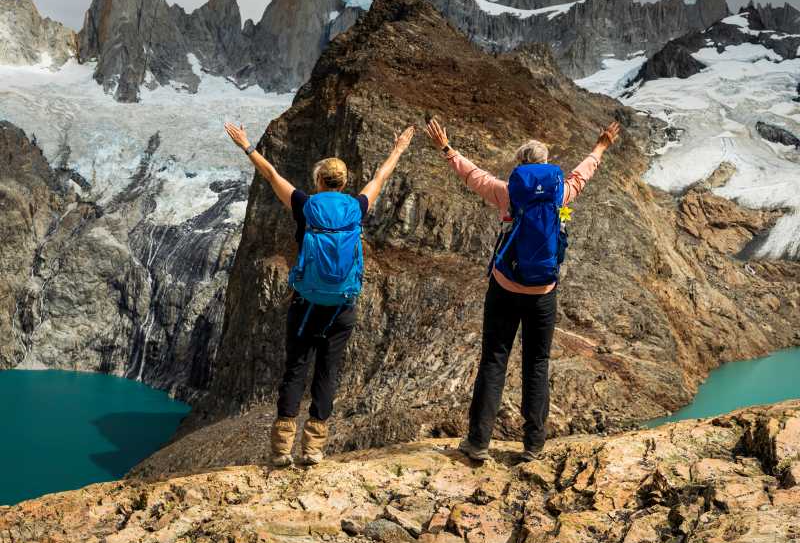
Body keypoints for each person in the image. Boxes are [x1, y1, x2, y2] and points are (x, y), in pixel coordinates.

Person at [424, 117, 621, 462]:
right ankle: (533, 446)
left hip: (504, 286)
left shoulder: (507, 192)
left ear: (520, 166)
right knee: (537, 363)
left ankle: (478, 442)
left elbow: (473, 175)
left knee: (494, 360)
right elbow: (584, 172)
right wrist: (601, 145)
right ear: (546, 165)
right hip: (544, 291)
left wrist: (446, 148)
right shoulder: (562, 192)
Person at [224, 121, 415, 466]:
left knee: (296, 368)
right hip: (342, 305)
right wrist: (399, 148)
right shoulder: (356, 207)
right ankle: (313, 449)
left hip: (307, 303)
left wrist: (246, 146)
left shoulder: (305, 205)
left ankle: (282, 450)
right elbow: (381, 178)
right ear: (344, 182)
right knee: (328, 371)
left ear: (318, 181)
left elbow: (271, 175)